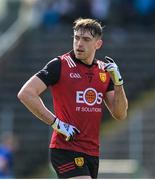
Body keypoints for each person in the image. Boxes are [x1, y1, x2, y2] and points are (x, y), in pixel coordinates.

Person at [17, 18, 128, 179]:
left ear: (98, 44)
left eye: (86, 39)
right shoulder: (59, 64)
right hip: (65, 148)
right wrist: (56, 124)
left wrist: (118, 83)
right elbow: (26, 93)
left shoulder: (104, 72)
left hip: (92, 152)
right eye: (76, 38)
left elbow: (120, 114)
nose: (79, 44)